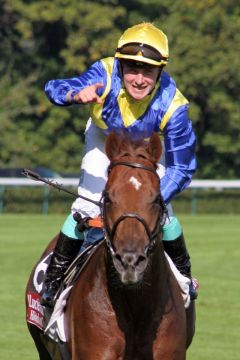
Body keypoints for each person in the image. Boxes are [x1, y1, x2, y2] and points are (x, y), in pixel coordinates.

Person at [41, 22, 197, 308]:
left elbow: (182, 168)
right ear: (119, 65)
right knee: (87, 206)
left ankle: (185, 278)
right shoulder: (104, 72)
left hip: (146, 148)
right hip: (105, 139)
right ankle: (53, 280)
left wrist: (151, 197)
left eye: (148, 71)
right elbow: (52, 87)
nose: (139, 79)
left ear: (160, 72)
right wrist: (75, 95)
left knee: (163, 213)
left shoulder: (174, 107)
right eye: (132, 69)